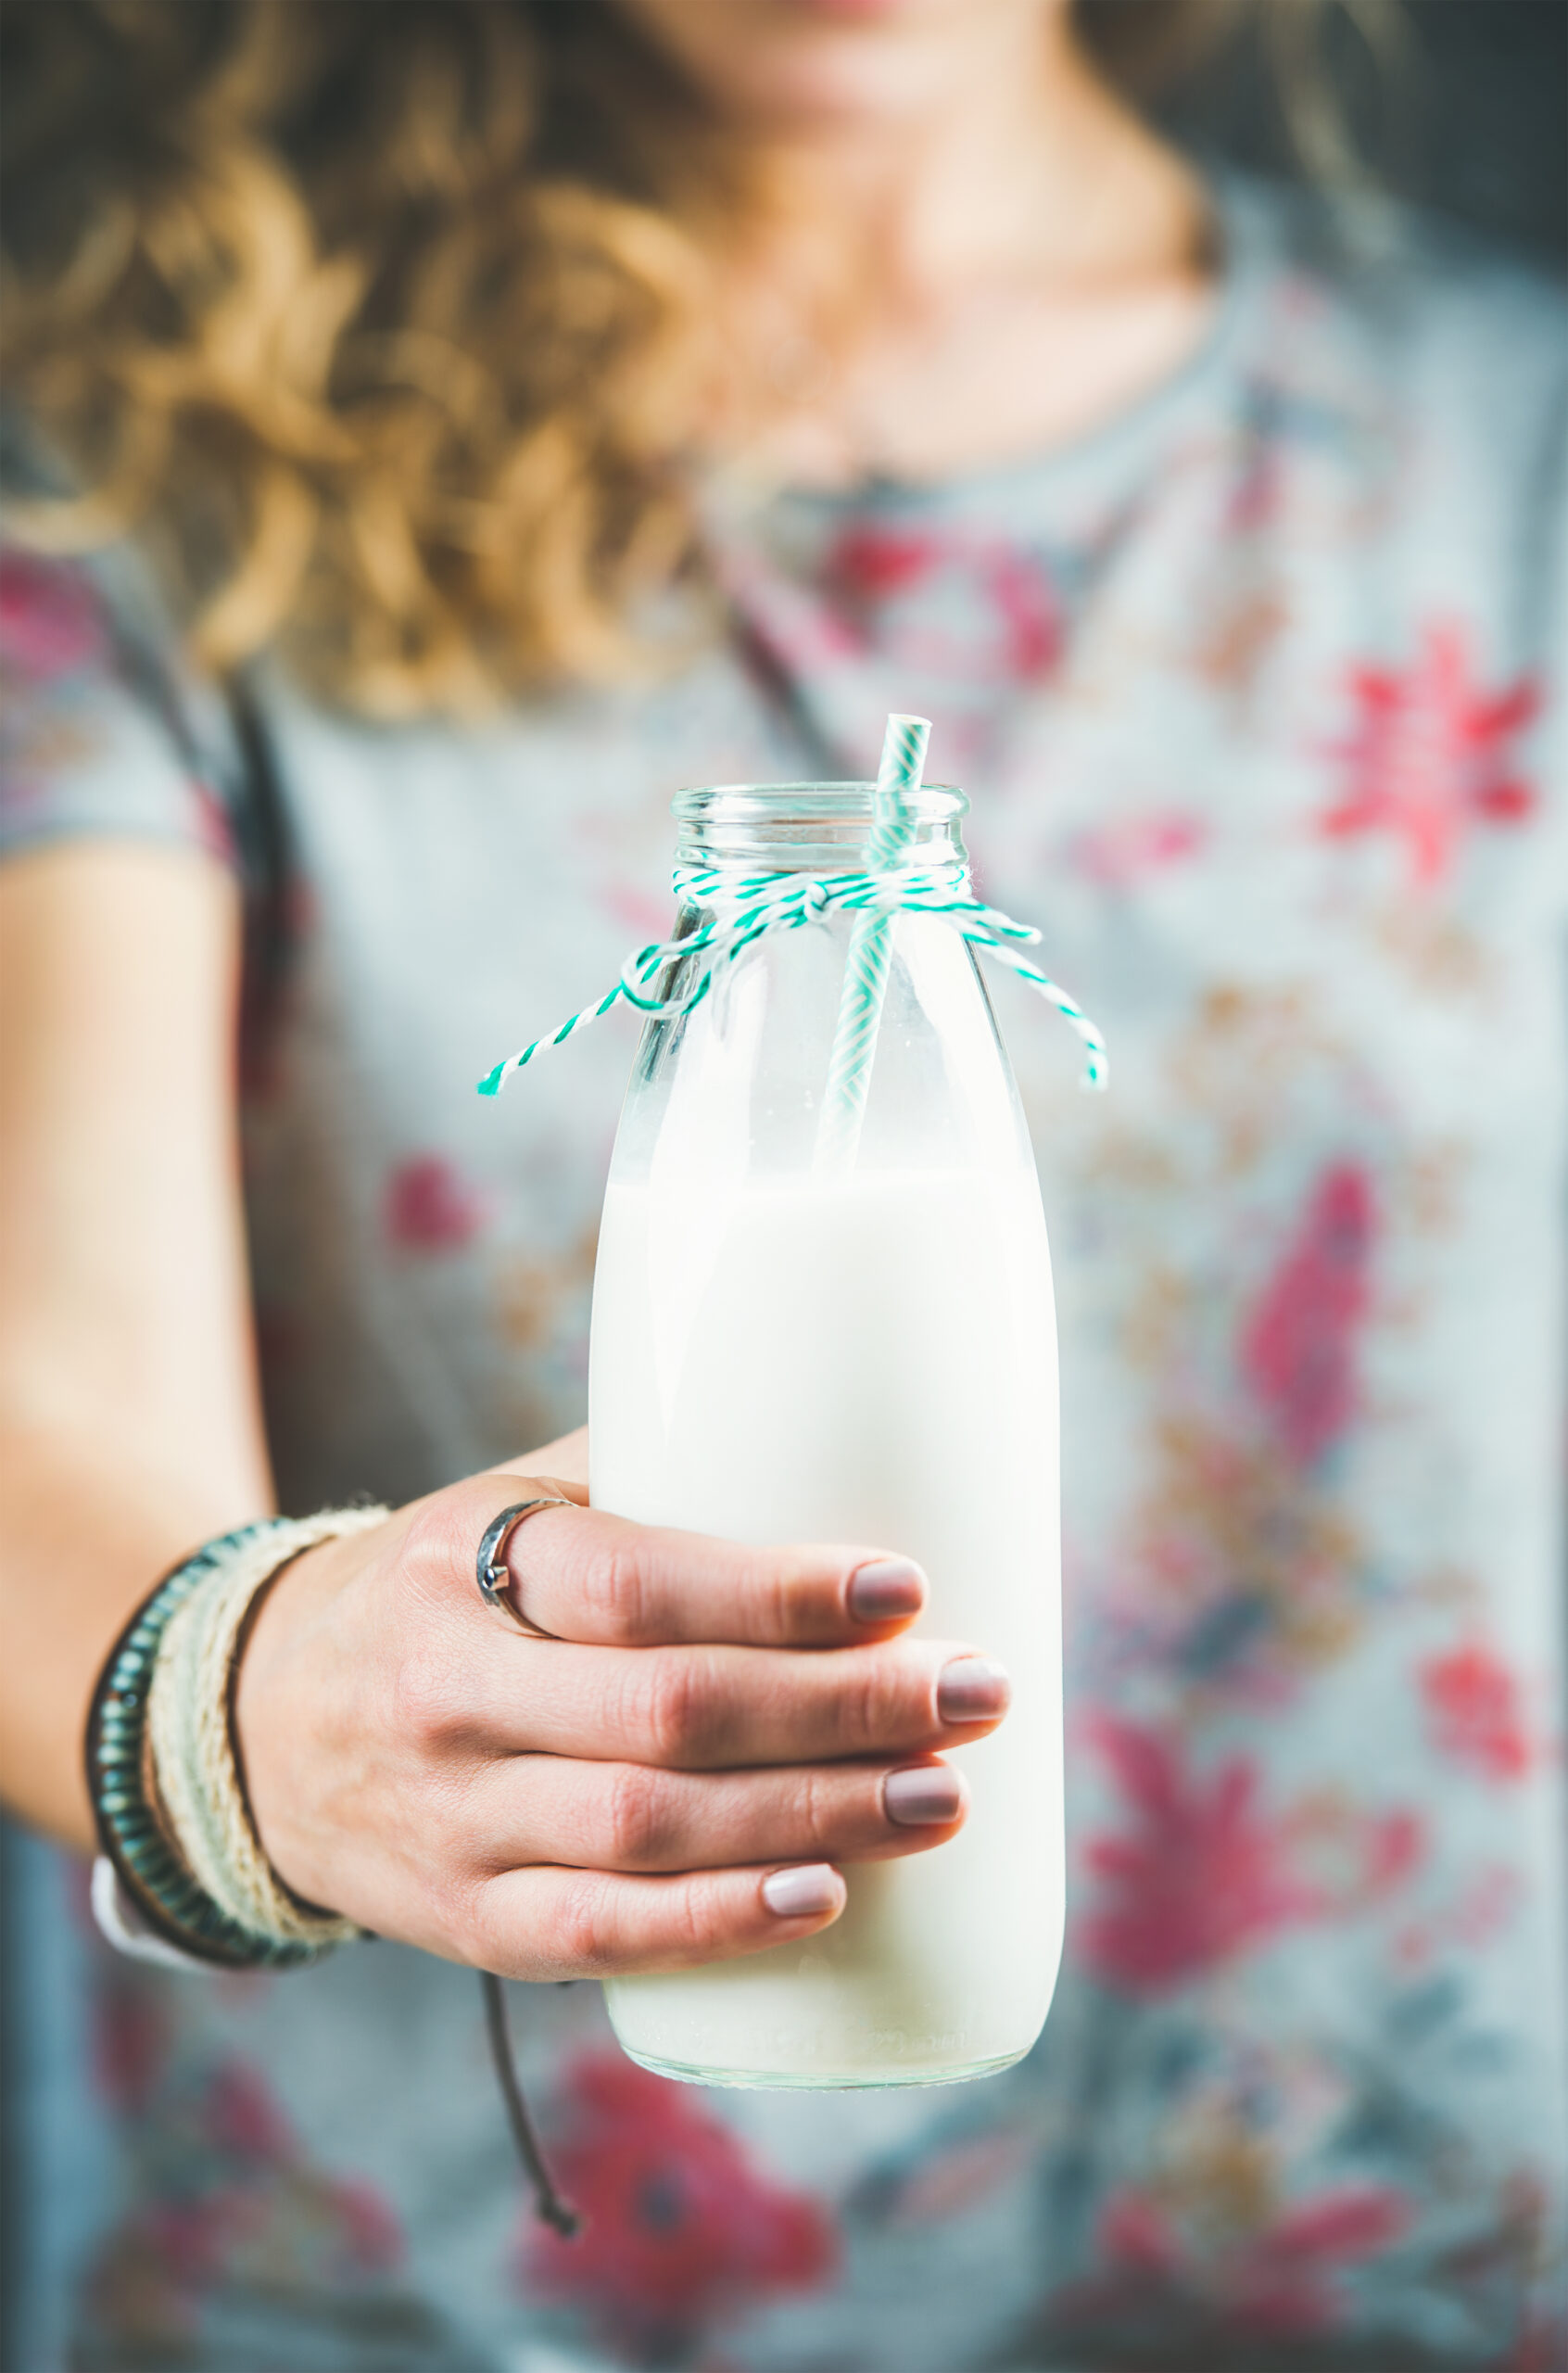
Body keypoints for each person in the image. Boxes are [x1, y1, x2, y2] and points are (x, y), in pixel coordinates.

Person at [2, 1, 1563, 2367]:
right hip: (455, 2306)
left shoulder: (1509, 447)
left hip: (1424, 2280)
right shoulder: (134, 504)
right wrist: (262, 1701)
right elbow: (46, 1400)